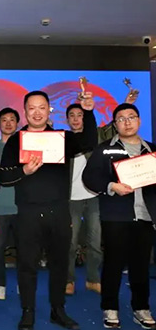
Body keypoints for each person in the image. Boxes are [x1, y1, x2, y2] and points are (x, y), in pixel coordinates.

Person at [0, 91, 97, 330]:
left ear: (49, 110)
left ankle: (58, 310)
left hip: (59, 210)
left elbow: (88, 142)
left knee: (59, 263)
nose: (37, 112)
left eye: (42, 107)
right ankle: (27, 311)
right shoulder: (16, 140)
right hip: (28, 212)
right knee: (27, 264)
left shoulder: (61, 138)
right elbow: (2, 176)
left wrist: (89, 112)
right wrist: (24, 171)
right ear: (25, 111)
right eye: (32, 108)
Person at [83, 103, 156, 330]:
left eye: (131, 117)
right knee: (113, 264)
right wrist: (112, 186)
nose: (127, 122)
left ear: (139, 121)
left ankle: (141, 308)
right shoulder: (105, 149)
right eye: (121, 119)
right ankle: (110, 307)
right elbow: (90, 177)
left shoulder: (152, 150)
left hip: (146, 216)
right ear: (115, 124)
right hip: (116, 215)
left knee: (141, 265)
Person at [65, 103, 102, 296]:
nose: (75, 118)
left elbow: (109, 128)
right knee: (71, 244)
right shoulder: (63, 141)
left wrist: (89, 111)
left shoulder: (93, 139)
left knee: (95, 242)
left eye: (79, 115)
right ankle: (69, 280)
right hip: (71, 199)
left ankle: (93, 279)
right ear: (67, 119)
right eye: (71, 115)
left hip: (93, 197)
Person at [0, 107, 20, 301]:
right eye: (4, 120)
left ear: (17, 123)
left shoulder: (24, 148)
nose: (8, 123)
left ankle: (22, 283)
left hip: (22, 208)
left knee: (24, 249)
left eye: (12, 120)